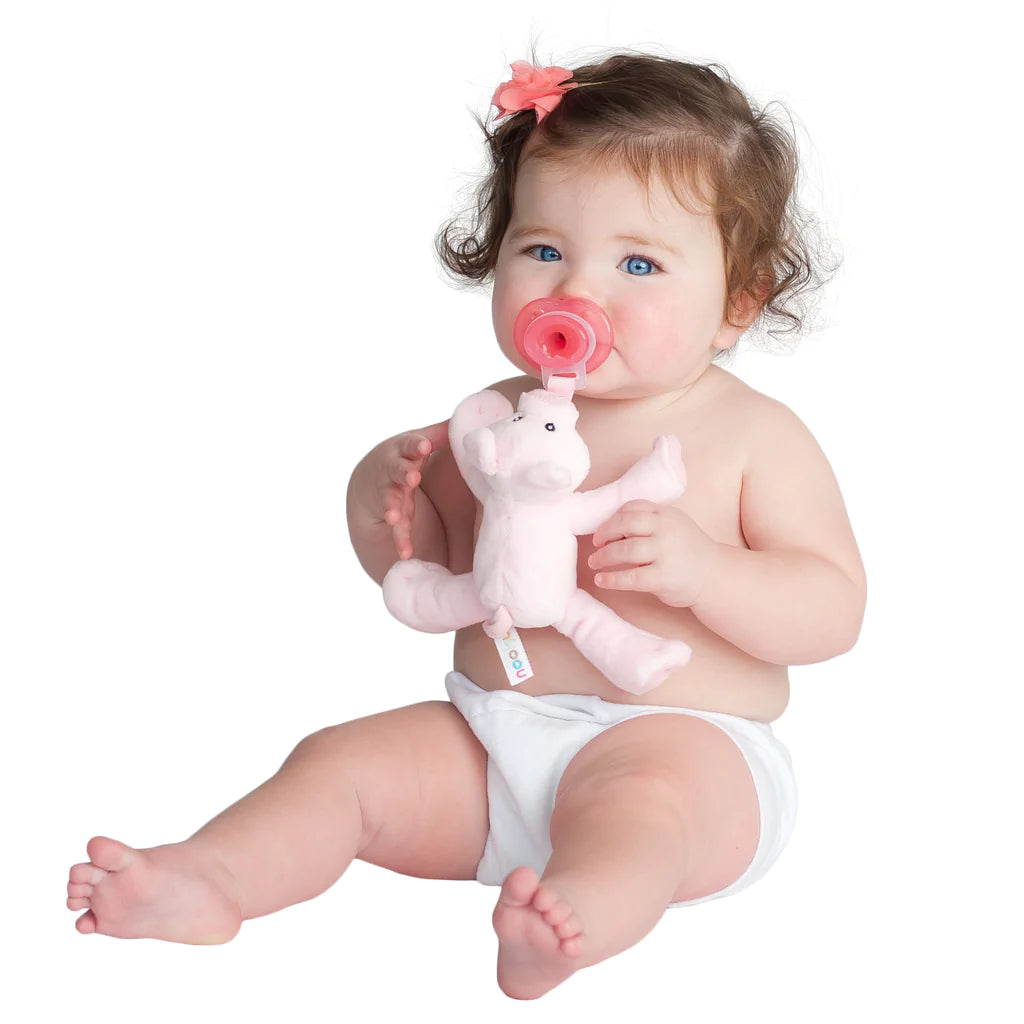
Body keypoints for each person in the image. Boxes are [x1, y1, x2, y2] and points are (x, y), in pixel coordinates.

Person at [66, 52, 866, 1001]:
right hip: (489, 740)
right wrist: (382, 504)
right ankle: (213, 878)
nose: (578, 292)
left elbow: (832, 610)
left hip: (690, 748)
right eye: (544, 250)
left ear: (738, 300)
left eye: (638, 263)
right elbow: (432, 568)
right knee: (339, 764)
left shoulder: (752, 435)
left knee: (642, 809)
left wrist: (709, 574)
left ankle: (570, 921)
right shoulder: (493, 424)